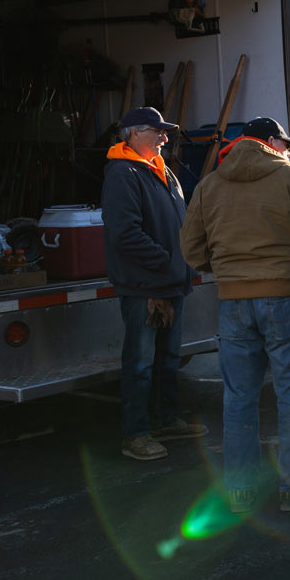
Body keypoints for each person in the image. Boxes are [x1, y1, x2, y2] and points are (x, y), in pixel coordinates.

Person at [181, 117, 290, 514]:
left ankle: (240, 490)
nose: (288, 150)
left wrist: (226, 267)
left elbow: (192, 251)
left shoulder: (209, 185)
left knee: (237, 399)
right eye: (284, 143)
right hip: (287, 297)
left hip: (233, 301)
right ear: (270, 142)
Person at [102, 106, 205, 462]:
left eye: (165, 132)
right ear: (132, 134)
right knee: (141, 363)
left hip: (171, 283)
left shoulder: (163, 173)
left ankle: (164, 420)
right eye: (156, 132)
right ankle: (136, 434)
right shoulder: (122, 173)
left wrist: (186, 262)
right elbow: (125, 234)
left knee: (168, 359)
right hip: (144, 286)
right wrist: (166, 262)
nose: (165, 138)